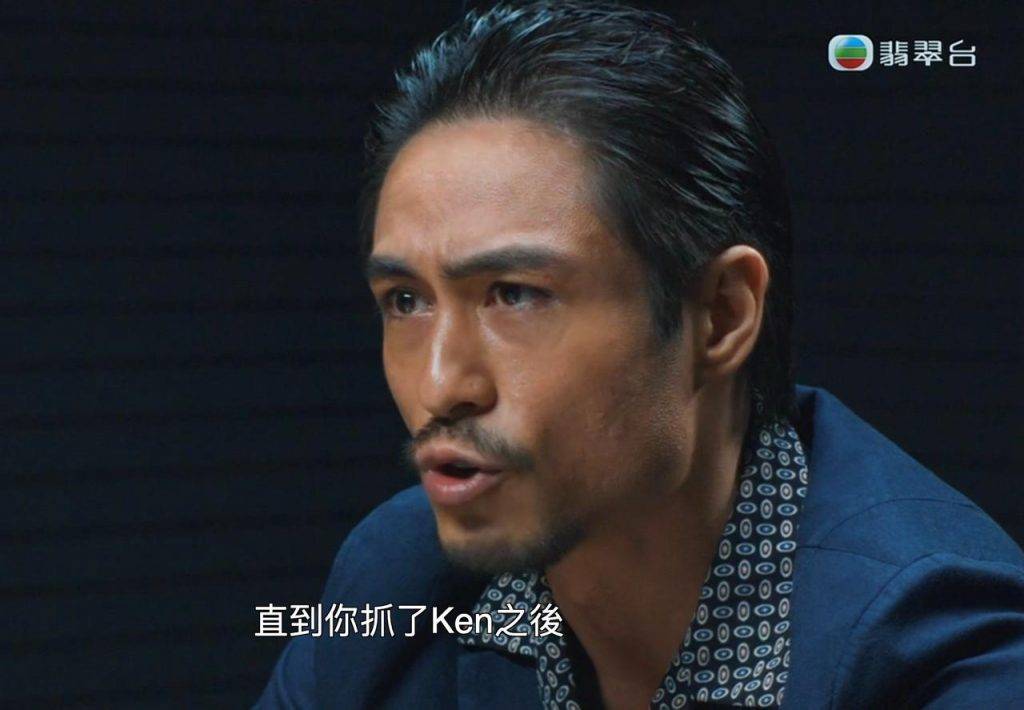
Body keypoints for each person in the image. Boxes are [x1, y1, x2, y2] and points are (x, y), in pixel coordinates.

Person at [254, 2, 1024, 707]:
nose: (439, 384)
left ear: (721, 316)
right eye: (406, 301)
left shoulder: (940, 653)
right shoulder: (399, 581)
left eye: (514, 295)